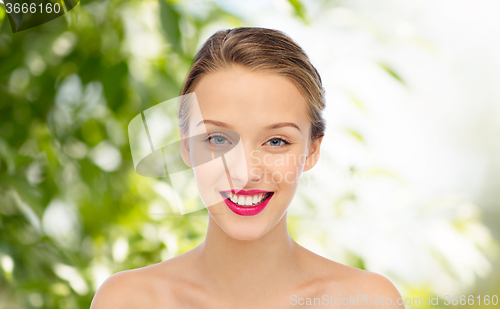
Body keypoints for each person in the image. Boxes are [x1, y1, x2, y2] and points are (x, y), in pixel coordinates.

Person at [90, 27, 405, 308]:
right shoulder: (126, 300)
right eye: (217, 139)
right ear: (186, 146)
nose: (245, 172)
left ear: (312, 150)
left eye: (276, 141)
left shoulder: (368, 301)